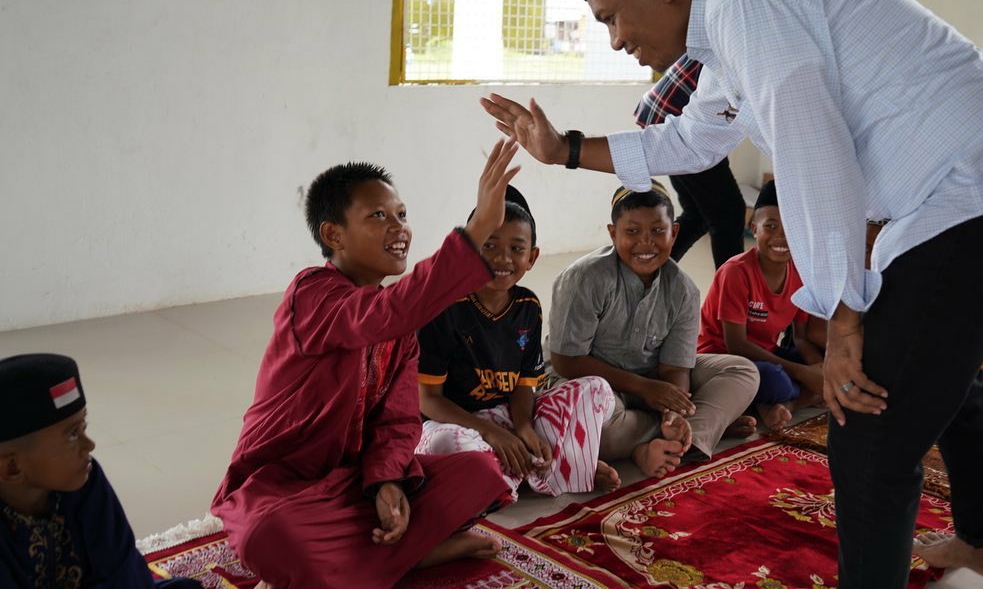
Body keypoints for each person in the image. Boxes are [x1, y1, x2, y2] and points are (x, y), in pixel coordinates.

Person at [479, 0, 983, 588]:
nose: (615, 38)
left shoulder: (748, 1)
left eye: (611, 16)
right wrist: (565, 148)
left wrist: (843, 311)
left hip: (982, 196)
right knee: (942, 368)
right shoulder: (731, 18)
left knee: (866, 428)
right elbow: (694, 135)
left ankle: (954, 549)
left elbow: (812, 154)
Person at [211, 141, 522, 589]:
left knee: (481, 472)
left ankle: (376, 559)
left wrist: (386, 484)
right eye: (379, 216)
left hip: (353, 484)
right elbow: (385, 314)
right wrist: (476, 232)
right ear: (333, 235)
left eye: (401, 215)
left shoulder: (398, 318)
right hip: (285, 486)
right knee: (268, 535)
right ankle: (412, 554)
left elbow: (397, 421)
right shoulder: (312, 294)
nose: (399, 228)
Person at [415, 186, 619, 498]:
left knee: (596, 389)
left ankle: (522, 470)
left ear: (532, 257)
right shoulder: (446, 308)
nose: (502, 258)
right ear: (470, 250)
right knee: (447, 446)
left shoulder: (528, 305)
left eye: (516, 248)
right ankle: (555, 468)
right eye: (489, 245)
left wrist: (523, 427)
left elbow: (527, 382)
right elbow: (428, 400)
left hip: (510, 416)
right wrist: (493, 434)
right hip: (459, 425)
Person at [546, 181, 759, 479]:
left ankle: (681, 439)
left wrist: (673, 412)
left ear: (674, 233)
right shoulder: (584, 278)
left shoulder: (683, 289)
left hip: (653, 381)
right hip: (593, 385)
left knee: (743, 371)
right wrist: (645, 389)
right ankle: (695, 432)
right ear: (612, 233)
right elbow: (565, 361)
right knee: (590, 426)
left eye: (658, 231)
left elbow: (674, 369)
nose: (646, 243)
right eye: (632, 232)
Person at [0, 353, 200, 589]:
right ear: (12, 467)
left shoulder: (86, 479)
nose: (89, 445)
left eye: (84, 426)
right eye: (73, 434)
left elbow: (123, 571)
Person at [698, 181, 825, 430]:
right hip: (724, 358)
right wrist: (803, 374)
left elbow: (799, 338)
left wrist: (819, 370)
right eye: (771, 226)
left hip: (765, 353)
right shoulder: (736, 272)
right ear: (754, 229)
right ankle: (788, 402)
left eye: (791, 227)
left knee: (827, 365)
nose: (781, 236)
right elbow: (737, 345)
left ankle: (779, 407)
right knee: (777, 381)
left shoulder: (800, 272)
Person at [635, 55, 745, 269]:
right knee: (728, 215)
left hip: (666, 109)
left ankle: (646, 275)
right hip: (679, 115)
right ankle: (732, 296)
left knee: (698, 214)